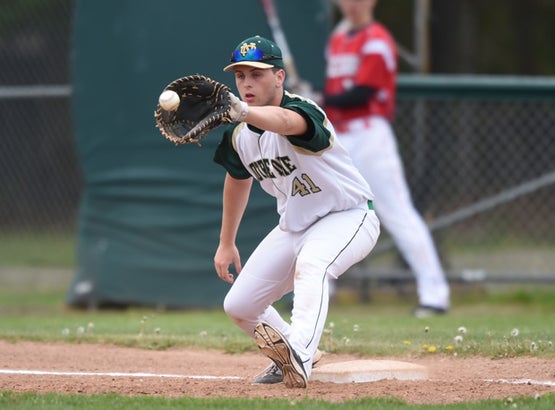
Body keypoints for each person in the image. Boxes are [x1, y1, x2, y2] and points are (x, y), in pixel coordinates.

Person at [213, 35, 380, 388]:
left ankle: (299, 354)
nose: (246, 83)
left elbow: (287, 124)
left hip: (349, 216)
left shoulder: (304, 110)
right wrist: (226, 242)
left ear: (279, 76)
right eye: (240, 75)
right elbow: (237, 179)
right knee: (240, 305)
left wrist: (244, 112)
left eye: (256, 74)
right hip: (296, 227)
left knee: (312, 266)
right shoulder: (239, 134)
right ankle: (289, 352)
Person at [323, 0, 450, 317]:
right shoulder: (339, 38)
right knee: (323, 211)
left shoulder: (377, 38)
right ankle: (317, 292)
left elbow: (362, 92)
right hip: (338, 136)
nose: (352, 4)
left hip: (369, 134)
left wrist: (320, 99)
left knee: (397, 213)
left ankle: (434, 295)